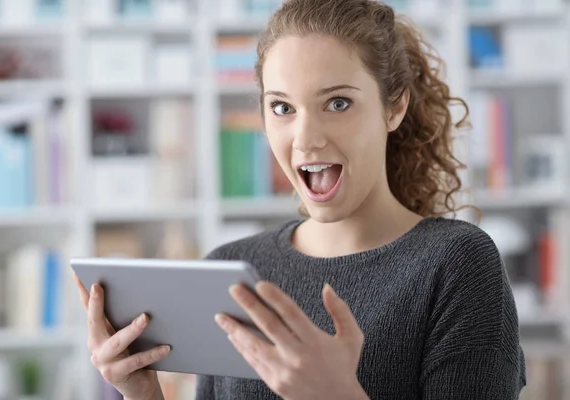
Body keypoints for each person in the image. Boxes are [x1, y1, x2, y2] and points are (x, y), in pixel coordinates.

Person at [74, 0, 527, 399]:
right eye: (283, 108)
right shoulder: (229, 269)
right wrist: (143, 394)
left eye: (338, 103)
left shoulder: (457, 265)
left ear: (394, 107)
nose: (305, 139)